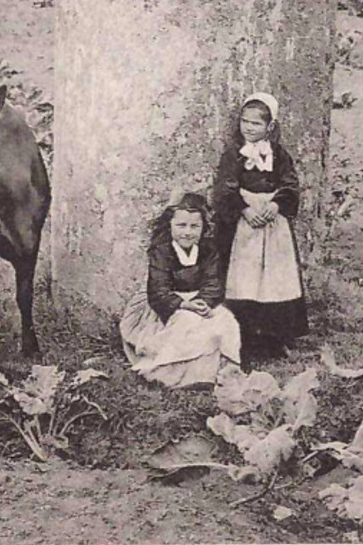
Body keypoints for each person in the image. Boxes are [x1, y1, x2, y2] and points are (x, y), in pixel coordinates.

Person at [213, 93, 308, 363]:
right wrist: (244, 209)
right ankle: (242, 336)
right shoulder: (234, 154)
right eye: (245, 121)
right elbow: (225, 185)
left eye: (256, 123)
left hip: (272, 224)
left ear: (270, 127)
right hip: (245, 223)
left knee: (274, 279)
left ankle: (274, 338)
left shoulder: (279, 155)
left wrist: (276, 205)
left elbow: (289, 184)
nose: (249, 127)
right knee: (243, 277)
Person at [118, 192, 241, 388]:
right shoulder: (161, 252)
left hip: (198, 301)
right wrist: (184, 305)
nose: (187, 232)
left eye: (194, 226)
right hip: (165, 304)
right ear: (170, 225)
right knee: (188, 322)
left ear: (203, 228)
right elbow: (158, 290)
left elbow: (213, 283)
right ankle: (176, 374)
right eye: (181, 225)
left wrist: (204, 303)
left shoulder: (208, 250)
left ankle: (215, 371)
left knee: (226, 319)